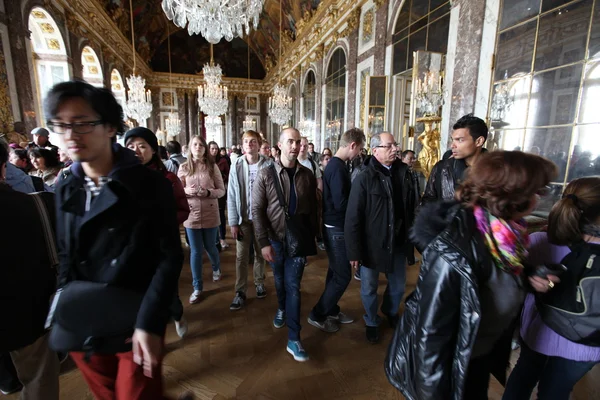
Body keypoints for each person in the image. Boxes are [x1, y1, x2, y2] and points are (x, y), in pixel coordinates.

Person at [46, 80, 186, 399]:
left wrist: (150, 323)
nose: (70, 135)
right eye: (61, 125)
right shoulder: (66, 185)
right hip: (84, 319)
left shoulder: (150, 185)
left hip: (134, 316)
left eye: (82, 123)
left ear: (110, 128)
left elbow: (168, 257)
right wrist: (64, 302)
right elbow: (67, 254)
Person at [385, 151, 558, 399]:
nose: (540, 199)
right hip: (451, 367)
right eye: (537, 192)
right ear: (514, 196)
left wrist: (530, 276)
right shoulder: (455, 248)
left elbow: (497, 274)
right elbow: (431, 335)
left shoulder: (505, 236)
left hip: (477, 353)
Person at [503, 177, 600, 400]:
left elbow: (510, 281)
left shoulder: (539, 241)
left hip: (539, 334)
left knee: (522, 378)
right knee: (556, 392)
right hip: (588, 344)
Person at [252, 127, 319, 362]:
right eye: (290, 141)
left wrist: (313, 240)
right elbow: (257, 210)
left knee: (293, 286)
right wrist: (263, 242)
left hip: (298, 240)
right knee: (279, 280)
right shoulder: (265, 173)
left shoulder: (307, 175)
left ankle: (294, 338)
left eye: (297, 141)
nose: (295, 146)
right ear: (279, 145)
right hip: (275, 239)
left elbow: (312, 211)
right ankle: (281, 307)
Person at [0, 142, 60, 400]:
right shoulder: (37, 205)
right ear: (4, 168)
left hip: (27, 313)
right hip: (28, 315)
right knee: (38, 381)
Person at [345, 133, 411, 343]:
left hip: (398, 239)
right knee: (369, 287)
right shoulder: (364, 176)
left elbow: (410, 207)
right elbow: (353, 216)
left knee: (399, 285)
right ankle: (372, 319)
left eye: (395, 145)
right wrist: (354, 250)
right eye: (389, 146)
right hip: (371, 243)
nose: (395, 149)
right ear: (375, 151)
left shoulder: (404, 172)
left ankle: (390, 311)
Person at [125, 127, 190, 338]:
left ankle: (177, 314)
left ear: (153, 150)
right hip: (133, 250)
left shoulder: (168, 178)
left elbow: (182, 208)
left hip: (162, 246)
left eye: (142, 146)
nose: (136, 150)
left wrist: (164, 224)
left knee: (168, 291)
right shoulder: (119, 179)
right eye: (131, 146)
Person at [308, 128, 365, 333]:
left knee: (335, 272)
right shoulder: (338, 167)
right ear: (352, 145)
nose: (359, 153)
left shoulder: (335, 165)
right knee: (343, 276)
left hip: (333, 225)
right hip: (337, 227)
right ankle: (318, 313)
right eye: (359, 149)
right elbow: (342, 203)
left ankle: (331, 309)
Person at [178, 135, 225, 304]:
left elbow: (221, 190)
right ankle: (197, 287)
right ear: (190, 148)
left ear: (205, 148)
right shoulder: (183, 167)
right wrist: (187, 191)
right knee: (196, 251)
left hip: (211, 213)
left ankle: (216, 267)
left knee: (211, 246)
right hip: (191, 215)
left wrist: (207, 193)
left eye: (201, 145)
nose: (198, 147)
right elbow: (178, 191)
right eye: (194, 144)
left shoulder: (212, 166)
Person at [228, 130, 270, 311]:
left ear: (259, 144)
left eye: (253, 141)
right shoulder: (236, 165)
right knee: (241, 256)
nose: (250, 144)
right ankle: (240, 290)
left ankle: (259, 282)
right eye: (246, 141)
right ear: (242, 145)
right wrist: (233, 222)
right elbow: (231, 194)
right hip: (243, 217)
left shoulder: (268, 164)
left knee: (261, 253)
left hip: (262, 218)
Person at [421, 114, 488, 205]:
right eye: (453, 140)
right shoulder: (441, 168)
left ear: (479, 141)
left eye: (460, 140)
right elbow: (426, 204)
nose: (452, 145)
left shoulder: (497, 172)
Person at [209, 140, 230, 249]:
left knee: (221, 215)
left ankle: (222, 238)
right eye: (212, 148)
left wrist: (223, 178)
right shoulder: (205, 161)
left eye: (216, 149)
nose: (214, 151)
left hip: (220, 191)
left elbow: (228, 173)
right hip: (208, 193)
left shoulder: (222, 161)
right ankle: (213, 239)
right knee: (210, 216)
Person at [401, 150, 421, 265]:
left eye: (414, 158)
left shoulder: (412, 172)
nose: (413, 161)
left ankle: (410, 257)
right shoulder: (402, 173)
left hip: (413, 208)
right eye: (410, 158)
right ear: (403, 159)